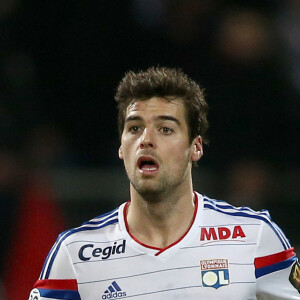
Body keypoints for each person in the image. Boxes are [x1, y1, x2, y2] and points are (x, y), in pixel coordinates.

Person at [28, 67, 299, 299]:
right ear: (122, 148)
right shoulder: (76, 253)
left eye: (165, 129)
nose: (146, 139)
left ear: (195, 148)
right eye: (134, 128)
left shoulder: (254, 236)